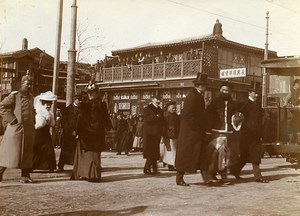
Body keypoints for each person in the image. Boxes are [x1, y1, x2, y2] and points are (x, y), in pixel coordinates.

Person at [71, 82, 112, 182]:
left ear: (97, 93)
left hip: (96, 133)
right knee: (87, 154)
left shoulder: (101, 105)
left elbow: (106, 119)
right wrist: (77, 131)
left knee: (94, 154)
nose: (91, 94)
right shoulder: (84, 105)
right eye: (89, 92)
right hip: (86, 134)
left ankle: (93, 175)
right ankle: (85, 174)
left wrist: (108, 127)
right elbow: (79, 120)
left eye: (93, 92)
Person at [175, 73, 210, 186]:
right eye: (204, 86)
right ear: (200, 86)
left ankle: (207, 178)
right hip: (190, 132)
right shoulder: (193, 96)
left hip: (195, 132)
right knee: (186, 155)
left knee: (201, 155)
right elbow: (188, 115)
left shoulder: (197, 95)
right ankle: (179, 178)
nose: (205, 88)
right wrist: (197, 128)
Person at [0, 71, 36, 183]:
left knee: (27, 153)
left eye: (31, 84)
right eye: (27, 83)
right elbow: (1, 106)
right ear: (22, 84)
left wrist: (33, 122)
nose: (29, 86)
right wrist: (12, 120)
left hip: (28, 130)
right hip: (15, 129)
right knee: (9, 153)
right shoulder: (14, 96)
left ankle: (25, 175)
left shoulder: (31, 97)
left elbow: (32, 111)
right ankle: (0, 172)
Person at [236, 85, 269, 183]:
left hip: (256, 134)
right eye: (255, 93)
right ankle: (234, 171)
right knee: (245, 156)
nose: (257, 95)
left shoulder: (257, 104)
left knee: (255, 155)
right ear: (249, 93)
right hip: (247, 134)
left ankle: (257, 176)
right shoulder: (245, 103)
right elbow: (236, 113)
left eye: (257, 93)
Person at [205, 81, 236, 182]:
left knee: (227, 153)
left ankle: (216, 172)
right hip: (217, 130)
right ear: (220, 90)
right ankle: (221, 174)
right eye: (223, 90)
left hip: (229, 131)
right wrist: (209, 128)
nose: (225, 92)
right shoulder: (214, 102)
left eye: (227, 90)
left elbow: (236, 116)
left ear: (230, 91)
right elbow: (208, 115)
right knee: (219, 151)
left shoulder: (233, 103)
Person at [32, 91, 57, 172]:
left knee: (48, 149)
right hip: (38, 133)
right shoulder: (39, 112)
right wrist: (46, 121)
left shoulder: (50, 113)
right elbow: (39, 124)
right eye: (47, 104)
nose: (48, 106)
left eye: (50, 104)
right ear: (43, 104)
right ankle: (32, 166)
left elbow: (52, 124)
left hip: (45, 133)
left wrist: (49, 121)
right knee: (37, 149)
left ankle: (49, 166)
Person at [57, 94, 81, 172]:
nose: (80, 101)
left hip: (78, 133)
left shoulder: (82, 109)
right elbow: (64, 122)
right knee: (64, 151)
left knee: (77, 151)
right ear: (75, 100)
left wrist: (79, 132)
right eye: (79, 100)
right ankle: (60, 166)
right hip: (68, 134)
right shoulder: (67, 110)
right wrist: (71, 131)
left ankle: (77, 166)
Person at [142, 94, 165, 175]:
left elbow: (163, 122)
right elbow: (147, 119)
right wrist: (156, 117)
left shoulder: (160, 110)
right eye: (157, 99)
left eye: (159, 99)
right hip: (149, 133)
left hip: (157, 133)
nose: (159, 101)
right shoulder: (147, 109)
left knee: (155, 151)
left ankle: (154, 168)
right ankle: (147, 168)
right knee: (150, 151)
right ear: (152, 99)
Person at [162, 101, 180, 171]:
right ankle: (170, 165)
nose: (174, 109)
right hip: (168, 135)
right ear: (168, 108)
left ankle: (170, 163)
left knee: (173, 151)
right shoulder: (166, 115)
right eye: (173, 108)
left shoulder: (175, 115)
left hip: (175, 135)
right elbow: (163, 126)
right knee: (170, 151)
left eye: (175, 108)